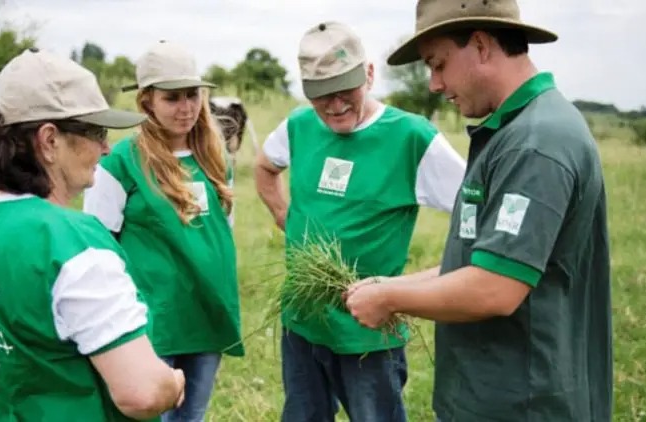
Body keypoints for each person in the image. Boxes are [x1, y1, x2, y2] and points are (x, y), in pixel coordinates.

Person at [344, 1, 613, 421]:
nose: (434, 83)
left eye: (439, 64)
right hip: (490, 396)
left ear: (483, 46)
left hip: (525, 403)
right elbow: (479, 261)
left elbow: (495, 288)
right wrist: (392, 285)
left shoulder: (536, 142)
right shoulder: (511, 131)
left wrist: (389, 298)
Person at [0, 48, 185, 422]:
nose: (106, 147)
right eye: (96, 132)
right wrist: (172, 381)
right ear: (49, 141)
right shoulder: (71, 241)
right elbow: (142, 393)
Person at [255, 21, 467, 422]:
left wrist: (430, 279)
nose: (334, 105)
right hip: (302, 321)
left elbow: (477, 211)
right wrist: (289, 221)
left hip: (368, 332)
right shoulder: (299, 125)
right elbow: (265, 168)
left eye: (344, 90)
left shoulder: (412, 138)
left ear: (369, 75)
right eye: (321, 96)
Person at [82, 40, 243, 422]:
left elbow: (222, 235)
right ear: (146, 101)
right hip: (152, 322)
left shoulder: (215, 158)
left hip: (206, 313)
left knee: (191, 417)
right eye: (172, 98)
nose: (186, 108)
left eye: (193, 95)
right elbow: (98, 246)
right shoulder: (122, 162)